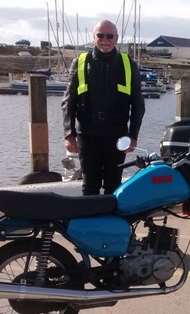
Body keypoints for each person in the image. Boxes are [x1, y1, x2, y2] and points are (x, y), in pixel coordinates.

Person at [62, 19, 145, 195]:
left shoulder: (128, 64)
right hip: (88, 135)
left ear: (116, 38)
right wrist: (69, 135)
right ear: (94, 37)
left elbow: (138, 104)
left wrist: (133, 135)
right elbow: (68, 101)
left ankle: (112, 222)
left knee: (113, 185)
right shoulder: (80, 62)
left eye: (109, 36)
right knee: (90, 185)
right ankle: (90, 222)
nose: (105, 40)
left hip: (117, 136)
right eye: (100, 35)